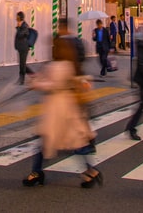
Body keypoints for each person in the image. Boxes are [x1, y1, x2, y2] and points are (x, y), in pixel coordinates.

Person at [22, 36, 101, 189]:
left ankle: (37, 173)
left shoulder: (57, 66)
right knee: (71, 142)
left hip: (57, 110)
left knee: (47, 139)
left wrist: (35, 84)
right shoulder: (69, 65)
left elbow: (52, 84)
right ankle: (90, 172)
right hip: (67, 108)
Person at [14, 11, 32, 84]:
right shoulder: (21, 25)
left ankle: (22, 79)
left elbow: (20, 35)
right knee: (22, 63)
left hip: (24, 47)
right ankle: (32, 74)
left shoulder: (24, 25)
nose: (16, 18)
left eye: (17, 16)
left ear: (20, 17)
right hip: (20, 47)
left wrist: (18, 27)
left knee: (22, 63)